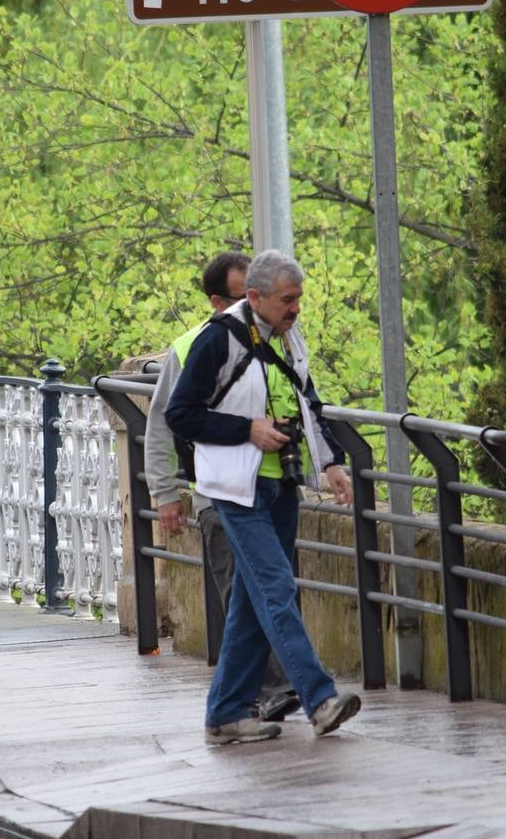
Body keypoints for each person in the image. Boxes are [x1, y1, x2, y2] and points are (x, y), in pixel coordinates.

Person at [167, 250, 361, 745]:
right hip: (236, 486)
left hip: (281, 482)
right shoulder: (217, 340)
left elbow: (308, 401)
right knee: (276, 587)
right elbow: (181, 415)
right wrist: (247, 430)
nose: (295, 309)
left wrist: (332, 462)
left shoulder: (288, 337)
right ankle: (319, 700)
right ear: (254, 298)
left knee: (254, 603)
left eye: (298, 299)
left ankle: (227, 712)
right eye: (287, 300)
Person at [144, 252, 302, 723]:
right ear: (220, 301)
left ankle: (242, 698)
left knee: (265, 591)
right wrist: (166, 491)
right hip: (219, 492)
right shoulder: (196, 344)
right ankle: (272, 688)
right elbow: (163, 422)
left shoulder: (281, 340)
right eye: (240, 298)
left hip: (270, 485)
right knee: (246, 590)